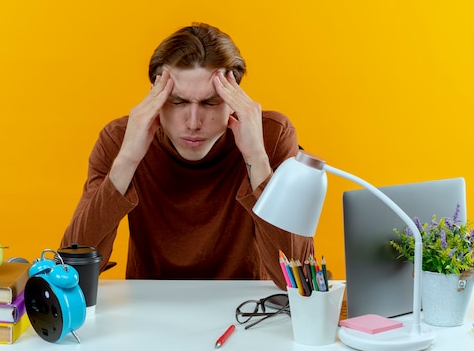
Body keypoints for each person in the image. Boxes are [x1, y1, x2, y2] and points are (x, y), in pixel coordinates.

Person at [61, 22, 313, 289]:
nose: (193, 122)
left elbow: (302, 281)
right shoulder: (120, 139)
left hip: (247, 311)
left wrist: (257, 161)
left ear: (235, 99)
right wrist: (127, 161)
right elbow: (68, 272)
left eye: (211, 102)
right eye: (178, 102)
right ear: (155, 98)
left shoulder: (271, 136)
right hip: (149, 310)